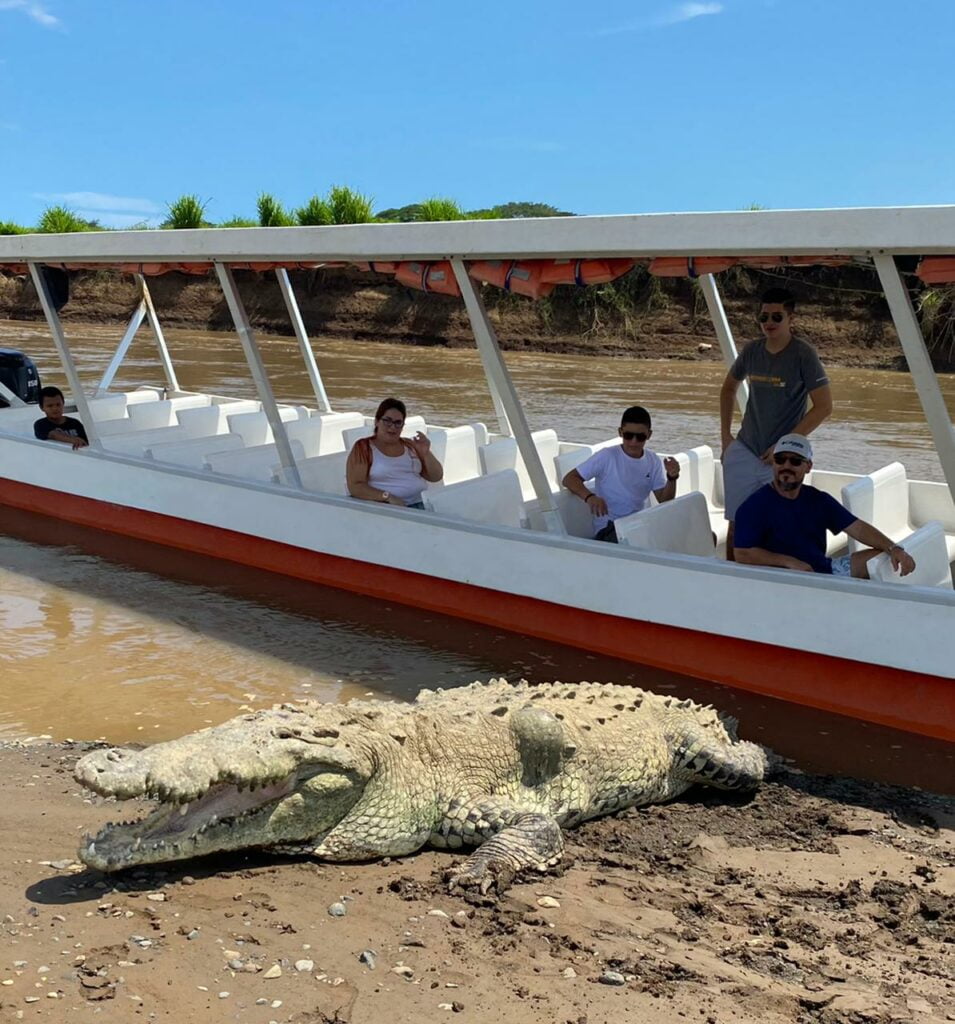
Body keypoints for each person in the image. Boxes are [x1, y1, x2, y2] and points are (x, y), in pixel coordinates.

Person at [720, 287, 832, 560]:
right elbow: (728, 389)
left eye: (777, 317)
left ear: (790, 318)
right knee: (735, 529)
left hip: (781, 459)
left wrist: (785, 445)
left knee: (776, 531)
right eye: (764, 316)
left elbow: (824, 407)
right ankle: (729, 583)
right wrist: (725, 438)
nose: (769, 322)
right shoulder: (752, 351)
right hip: (744, 449)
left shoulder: (804, 354)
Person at [734, 434, 916, 579]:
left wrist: (894, 548)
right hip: (783, 577)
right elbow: (742, 553)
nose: (786, 466)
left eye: (795, 461)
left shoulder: (818, 499)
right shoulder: (754, 506)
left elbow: (857, 528)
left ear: (808, 466)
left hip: (823, 570)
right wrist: (788, 562)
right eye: (780, 460)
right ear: (773, 463)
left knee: (882, 559)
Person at [562, 405, 681, 543]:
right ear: (620, 432)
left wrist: (672, 478)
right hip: (610, 528)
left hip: (641, 524)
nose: (633, 442)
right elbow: (569, 479)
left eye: (640, 437)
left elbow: (664, 501)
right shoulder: (607, 456)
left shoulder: (652, 460)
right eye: (628, 435)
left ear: (649, 435)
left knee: (705, 535)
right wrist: (590, 497)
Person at [346, 398, 442, 508]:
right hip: (389, 508)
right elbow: (355, 486)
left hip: (423, 502)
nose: (392, 427)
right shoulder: (364, 447)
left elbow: (436, 477)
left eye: (398, 423)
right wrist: (387, 496)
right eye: (387, 421)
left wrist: (425, 453)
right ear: (377, 421)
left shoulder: (410, 445)